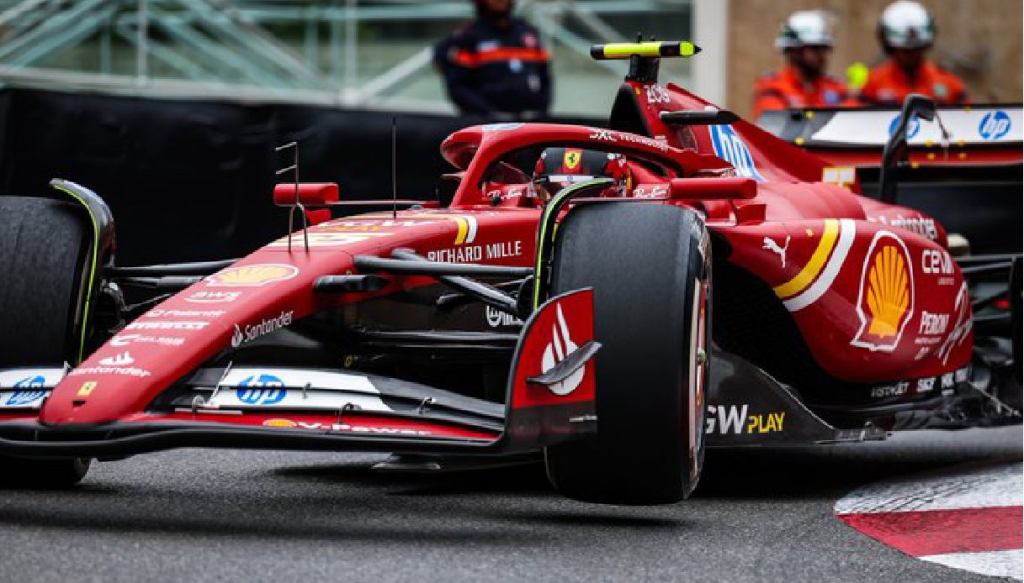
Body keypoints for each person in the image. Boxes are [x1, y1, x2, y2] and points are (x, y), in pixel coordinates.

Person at [434, 0, 552, 118]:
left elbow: (545, 76)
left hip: (527, 120)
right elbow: (457, 85)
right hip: (486, 123)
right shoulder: (468, 36)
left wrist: (541, 109)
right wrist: (487, 114)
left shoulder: (528, 33)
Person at [860, 0, 967, 106]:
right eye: (904, 51)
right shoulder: (873, 85)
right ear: (890, 47)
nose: (911, 56)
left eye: (917, 49)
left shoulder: (949, 85)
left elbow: (967, 118)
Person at [752, 10, 853, 120]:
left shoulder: (835, 88)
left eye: (824, 49)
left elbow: (854, 120)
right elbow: (776, 126)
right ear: (794, 50)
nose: (822, 55)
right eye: (815, 48)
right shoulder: (773, 88)